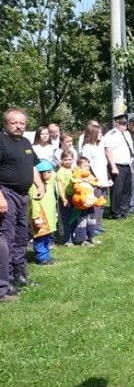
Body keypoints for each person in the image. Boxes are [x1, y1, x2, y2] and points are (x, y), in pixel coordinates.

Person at [0, 108, 45, 303]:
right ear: (5, 124)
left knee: (21, 237)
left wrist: (40, 184)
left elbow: (32, 165)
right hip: (6, 194)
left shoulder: (26, 142)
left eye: (22, 123)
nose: (18, 126)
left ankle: (20, 276)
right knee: (5, 239)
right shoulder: (1, 141)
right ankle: (4, 284)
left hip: (22, 196)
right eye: (14, 123)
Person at [80, 125, 110, 234]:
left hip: (102, 179)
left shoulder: (98, 146)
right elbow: (86, 165)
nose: (101, 134)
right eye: (99, 133)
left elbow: (103, 163)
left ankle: (99, 224)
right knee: (95, 203)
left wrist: (108, 177)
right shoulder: (87, 147)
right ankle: (93, 226)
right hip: (94, 181)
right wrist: (93, 180)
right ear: (93, 134)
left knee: (101, 202)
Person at [103, 113, 134, 220]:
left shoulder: (126, 134)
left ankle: (124, 210)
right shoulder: (111, 135)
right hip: (117, 165)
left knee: (127, 189)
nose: (125, 125)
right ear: (116, 124)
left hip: (126, 165)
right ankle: (116, 212)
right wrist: (113, 167)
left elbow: (128, 151)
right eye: (122, 123)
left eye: (126, 123)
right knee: (117, 190)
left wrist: (130, 165)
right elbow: (108, 151)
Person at [29, 159, 58, 265]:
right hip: (41, 217)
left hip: (48, 216)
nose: (50, 174)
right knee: (40, 237)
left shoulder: (48, 185)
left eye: (50, 172)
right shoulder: (34, 186)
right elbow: (34, 202)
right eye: (48, 172)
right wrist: (36, 217)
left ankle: (46, 255)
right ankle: (42, 258)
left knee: (46, 237)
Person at [56, 150, 77, 246]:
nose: (68, 162)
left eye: (70, 159)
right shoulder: (61, 171)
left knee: (74, 217)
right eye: (65, 160)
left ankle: (74, 237)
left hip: (74, 196)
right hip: (65, 197)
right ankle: (67, 240)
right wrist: (64, 199)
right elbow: (61, 187)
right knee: (67, 219)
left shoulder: (73, 169)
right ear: (61, 160)